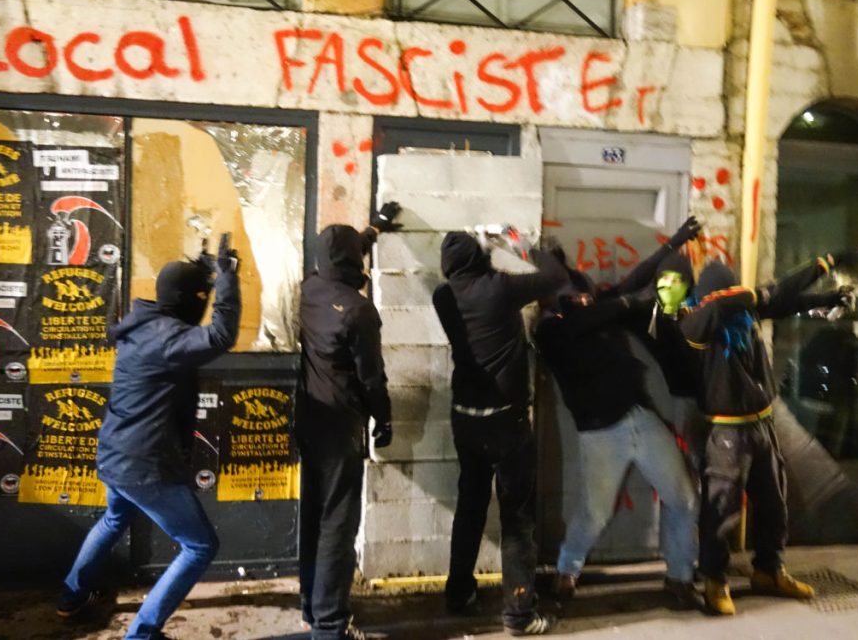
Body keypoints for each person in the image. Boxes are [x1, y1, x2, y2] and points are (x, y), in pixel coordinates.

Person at [56, 237, 241, 640]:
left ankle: (72, 597)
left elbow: (189, 300)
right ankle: (141, 634)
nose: (204, 302)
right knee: (200, 546)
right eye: (200, 297)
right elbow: (221, 336)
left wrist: (208, 270)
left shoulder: (144, 326)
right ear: (184, 301)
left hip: (117, 454)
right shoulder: (169, 339)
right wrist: (227, 276)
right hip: (145, 463)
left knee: (114, 518)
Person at [534, 217, 703, 609]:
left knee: (683, 499)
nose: (578, 290)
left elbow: (633, 280)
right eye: (564, 285)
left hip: (638, 416)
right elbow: (604, 308)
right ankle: (566, 570)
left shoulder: (588, 305)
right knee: (594, 513)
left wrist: (674, 243)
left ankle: (680, 578)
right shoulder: (549, 330)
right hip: (600, 432)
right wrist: (628, 302)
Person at [679, 254, 857, 615]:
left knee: (774, 503)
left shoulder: (744, 313)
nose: (736, 294)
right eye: (728, 289)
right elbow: (757, 297)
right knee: (720, 510)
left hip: (761, 423)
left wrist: (827, 298)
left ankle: (769, 571)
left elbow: (786, 301)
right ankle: (715, 580)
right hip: (727, 431)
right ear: (713, 294)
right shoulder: (698, 323)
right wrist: (820, 266)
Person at [433, 228, 567, 637]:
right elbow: (556, 274)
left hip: (465, 419)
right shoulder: (500, 288)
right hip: (506, 421)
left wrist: (481, 253)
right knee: (517, 518)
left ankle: (458, 593)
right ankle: (519, 614)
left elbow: (468, 280)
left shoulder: (443, 296)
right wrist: (514, 240)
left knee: (470, 506)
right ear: (479, 257)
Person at [296, 203, 401, 640]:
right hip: (342, 426)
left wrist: (372, 230)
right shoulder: (359, 311)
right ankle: (330, 625)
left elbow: (341, 254)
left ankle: (311, 607)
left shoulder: (308, 289)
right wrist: (385, 418)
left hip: (309, 419)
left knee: (314, 514)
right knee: (338, 524)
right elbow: (371, 378)